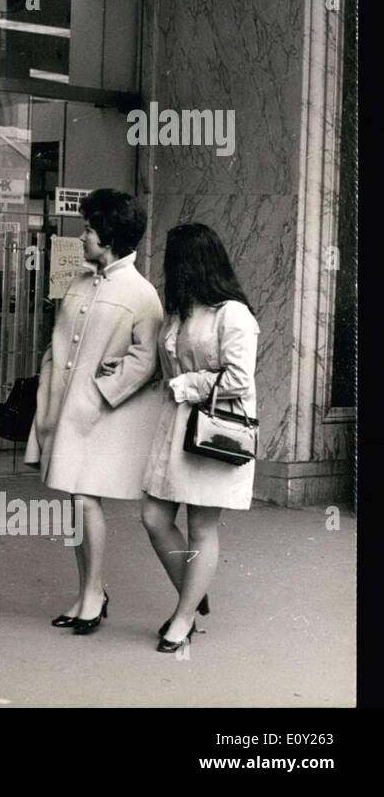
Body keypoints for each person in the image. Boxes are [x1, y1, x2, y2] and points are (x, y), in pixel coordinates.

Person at [25, 189, 163, 634]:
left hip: (102, 416)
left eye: (88, 228)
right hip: (66, 410)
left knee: (83, 500)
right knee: (75, 500)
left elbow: (147, 358)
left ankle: (93, 594)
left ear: (109, 236)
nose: (82, 235)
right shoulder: (81, 282)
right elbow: (60, 342)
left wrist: (105, 389)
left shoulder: (141, 293)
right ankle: (90, 591)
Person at [141, 222, 259, 653]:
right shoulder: (178, 310)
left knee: (201, 527)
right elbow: (164, 366)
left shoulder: (233, 314)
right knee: (153, 517)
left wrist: (187, 386)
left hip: (214, 432)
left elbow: (240, 380)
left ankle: (184, 615)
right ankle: (194, 587)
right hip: (175, 427)